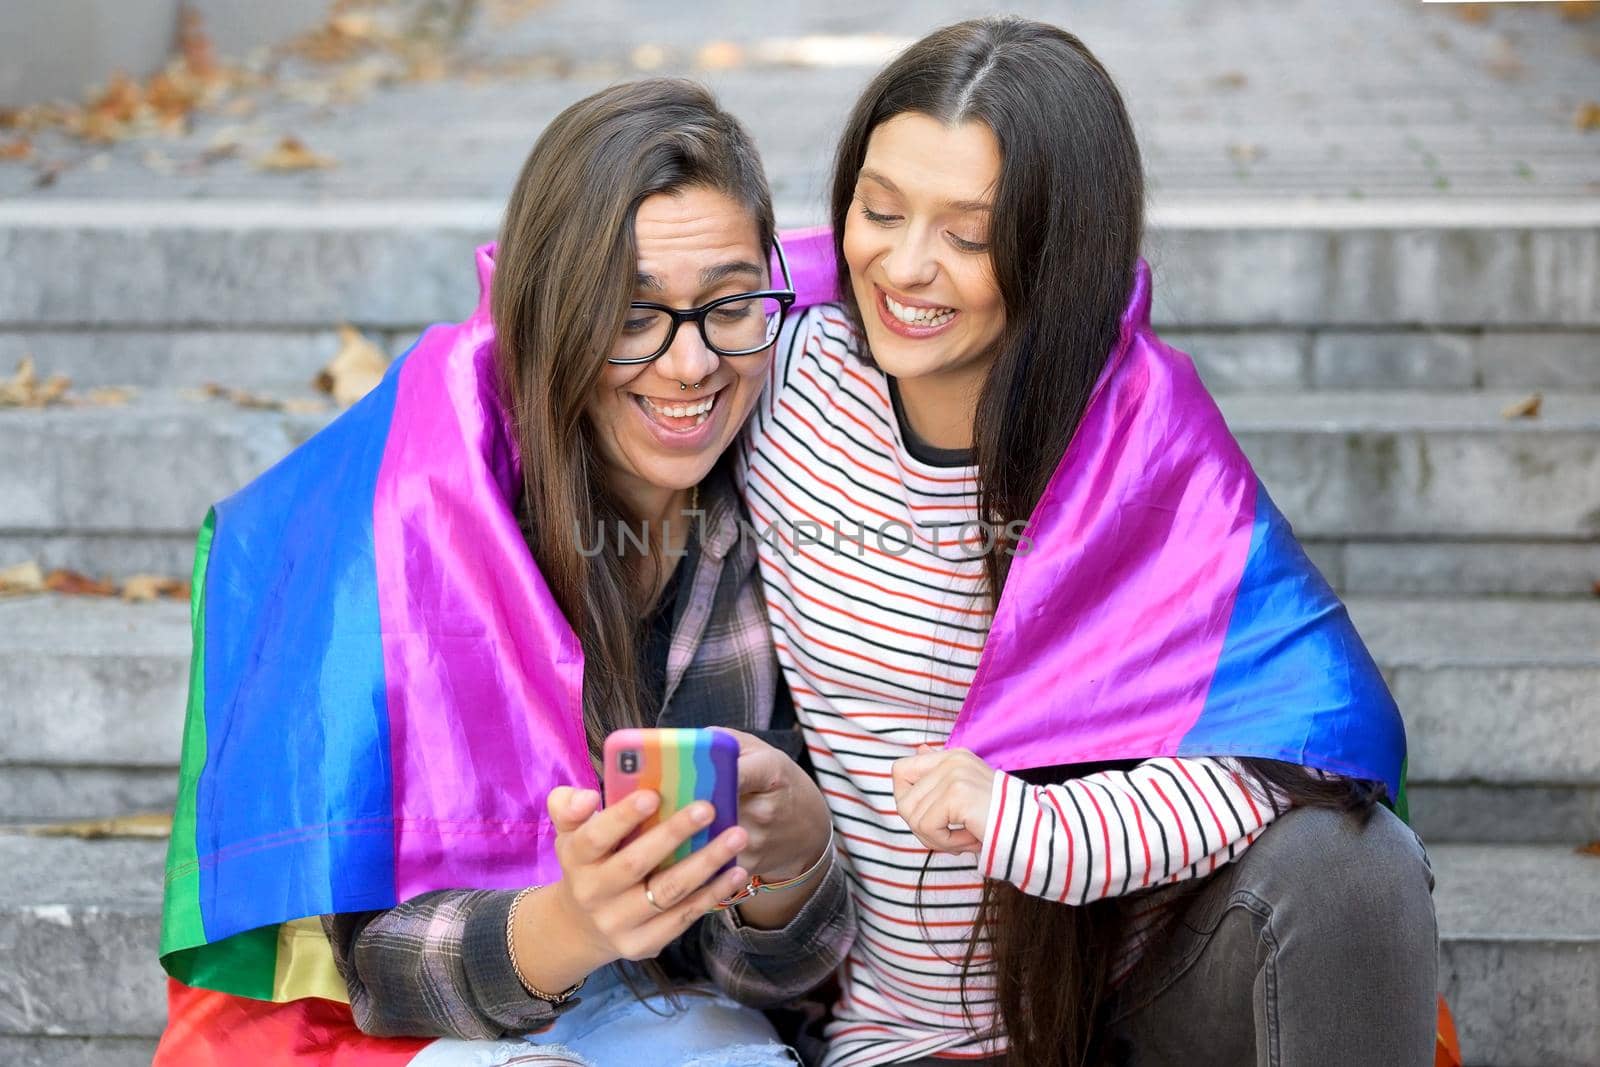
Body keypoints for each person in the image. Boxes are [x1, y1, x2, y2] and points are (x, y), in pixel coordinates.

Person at [738, 18, 1440, 1066]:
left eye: (967, 236)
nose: (905, 265)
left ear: (1055, 248)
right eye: (878, 210)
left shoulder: (1140, 434)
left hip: (1144, 983)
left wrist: (1032, 828)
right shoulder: (786, 378)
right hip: (907, 1023)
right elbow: (581, 354)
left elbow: (1284, 753)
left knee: (1355, 865)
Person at [153, 79, 850, 1066]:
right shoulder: (419, 519)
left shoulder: (788, 494)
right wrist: (574, 920)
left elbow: (766, 980)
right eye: (631, 312)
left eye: (728, 303)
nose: (691, 364)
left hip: (660, 1005)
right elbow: (378, 975)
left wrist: (797, 859)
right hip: (425, 1024)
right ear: (546, 314)